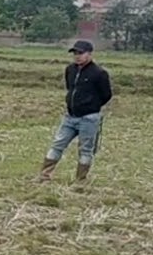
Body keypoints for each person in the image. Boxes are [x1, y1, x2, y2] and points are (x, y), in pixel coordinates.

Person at [39, 39, 112, 182]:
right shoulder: (70, 70)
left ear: (89, 54)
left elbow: (106, 95)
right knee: (57, 144)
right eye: (75, 53)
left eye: (80, 53)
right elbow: (70, 88)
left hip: (89, 118)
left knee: (85, 150)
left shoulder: (99, 73)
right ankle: (44, 176)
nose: (77, 56)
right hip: (70, 116)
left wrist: (91, 105)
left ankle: (80, 180)